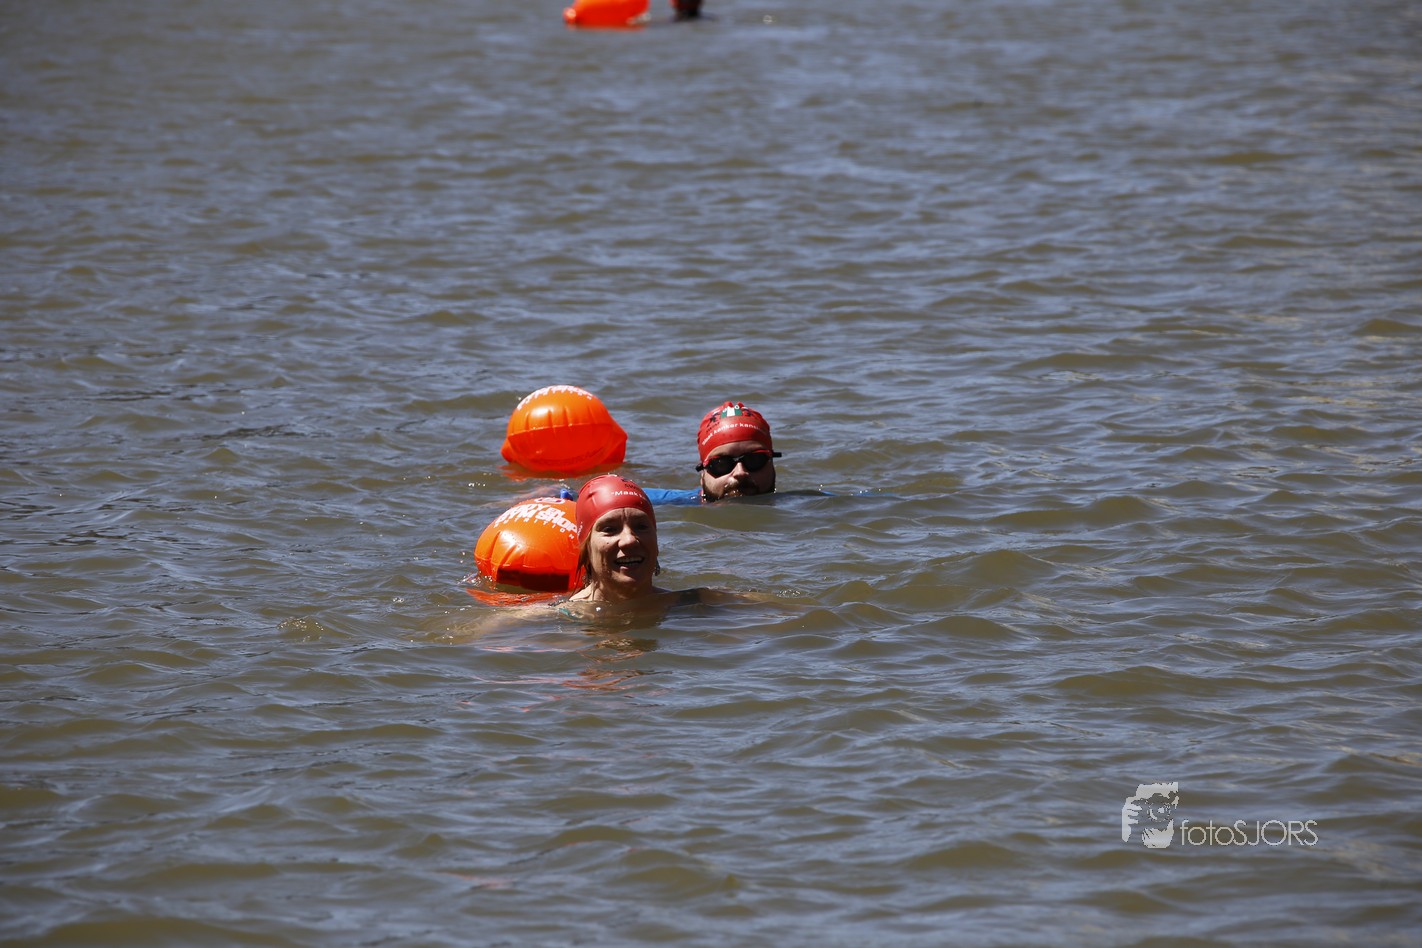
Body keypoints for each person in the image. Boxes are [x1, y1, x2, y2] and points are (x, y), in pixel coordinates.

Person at [567, 474, 667, 603]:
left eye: (641, 526)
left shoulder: (686, 607)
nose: (629, 540)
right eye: (609, 529)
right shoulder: (559, 615)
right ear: (586, 549)